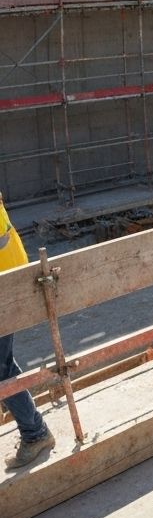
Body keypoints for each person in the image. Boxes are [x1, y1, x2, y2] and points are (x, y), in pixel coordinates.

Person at [1, 189, 56, 471]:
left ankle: (35, 434)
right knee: (2, 364)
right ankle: (34, 428)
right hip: (10, 277)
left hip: (5, 285)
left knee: (1, 368)